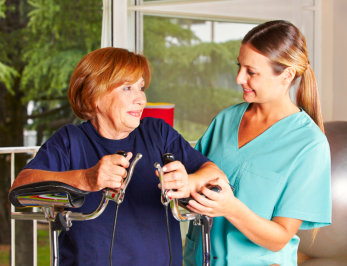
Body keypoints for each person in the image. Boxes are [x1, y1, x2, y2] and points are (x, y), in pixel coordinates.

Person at [9, 47, 225, 266]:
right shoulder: (70, 140)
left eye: (141, 87)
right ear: (95, 95)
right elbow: (19, 189)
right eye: (127, 88)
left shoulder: (158, 133)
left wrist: (189, 182)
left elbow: (216, 177)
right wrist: (86, 179)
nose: (141, 99)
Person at [183, 20, 331, 266]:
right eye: (239, 66)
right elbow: (192, 180)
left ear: (286, 75)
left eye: (251, 72)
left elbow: (280, 238)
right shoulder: (226, 119)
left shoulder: (309, 144)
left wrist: (230, 208)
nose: (239, 78)